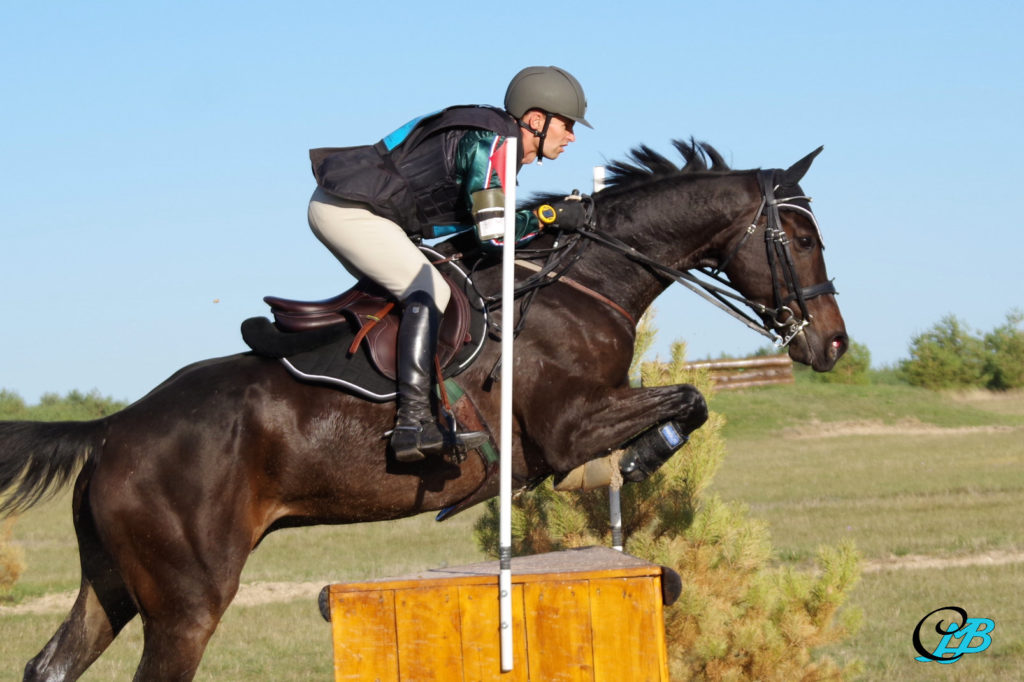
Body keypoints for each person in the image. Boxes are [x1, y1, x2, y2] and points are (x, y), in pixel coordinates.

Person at [307, 65, 591, 463]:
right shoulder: (491, 142)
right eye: (567, 125)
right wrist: (549, 216)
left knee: (438, 287)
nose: (572, 136)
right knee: (431, 290)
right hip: (348, 211)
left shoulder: (499, 141)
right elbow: (495, 236)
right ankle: (412, 424)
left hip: (367, 213)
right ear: (536, 119)